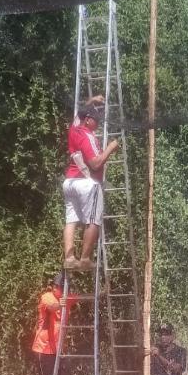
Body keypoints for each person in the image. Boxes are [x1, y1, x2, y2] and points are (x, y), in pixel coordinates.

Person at [63, 95, 119, 270]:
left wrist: (91, 100)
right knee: (94, 220)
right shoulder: (87, 136)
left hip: (70, 182)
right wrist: (110, 148)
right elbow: (95, 163)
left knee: (71, 220)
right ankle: (85, 258)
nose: (98, 124)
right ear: (88, 121)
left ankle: (70, 258)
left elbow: (80, 114)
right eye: (96, 120)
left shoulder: (74, 129)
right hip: (87, 183)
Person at [32, 272, 79, 375]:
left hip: (58, 350)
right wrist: (63, 303)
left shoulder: (66, 298)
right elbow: (53, 306)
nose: (65, 290)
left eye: (67, 288)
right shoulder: (47, 297)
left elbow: (81, 297)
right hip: (43, 349)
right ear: (55, 287)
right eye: (62, 287)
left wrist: (104, 290)